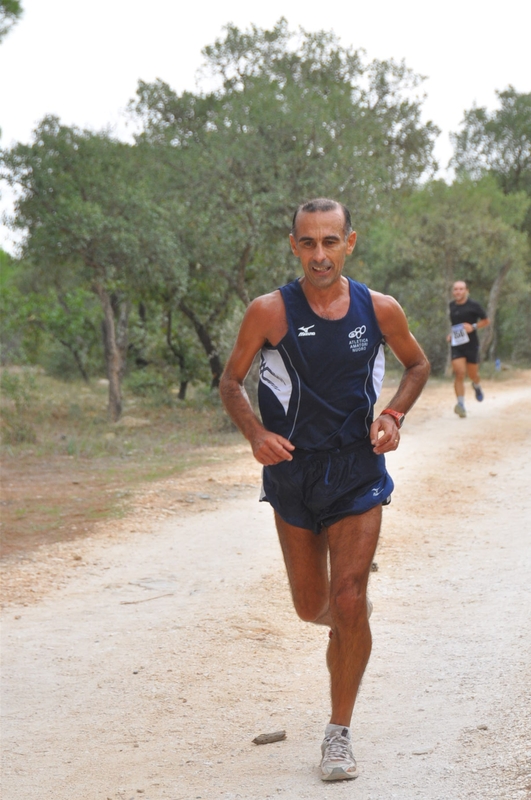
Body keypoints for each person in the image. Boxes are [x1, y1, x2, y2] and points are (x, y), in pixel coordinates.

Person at [219, 198, 430, 781]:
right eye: (308, 243)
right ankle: (345, 623)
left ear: (350, 242)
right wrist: (255, 433)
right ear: (294, 246)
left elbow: (418, 365)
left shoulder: (379, 310)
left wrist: (394, 416)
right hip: (292, 473)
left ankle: (338, 734)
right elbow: (231, 381)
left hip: (358, 470)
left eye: (330, 241)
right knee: (313, 606)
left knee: (349, 598)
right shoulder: (269, 312)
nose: (319, 254)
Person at [448, 280, 490, 418]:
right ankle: (460, 405)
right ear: (453, 292)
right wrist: (451, 334)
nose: (458, 291)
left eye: (461, 289)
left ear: (467, 291)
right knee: (459, 373)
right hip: (457, 344)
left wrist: (473, 327)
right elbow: (455, 325)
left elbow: (486, 321)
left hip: (471, 344)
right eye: (456, 289)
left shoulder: (474, 305)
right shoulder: (452, 306)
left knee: (473, 375)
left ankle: (476, 385)